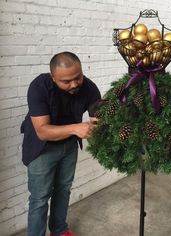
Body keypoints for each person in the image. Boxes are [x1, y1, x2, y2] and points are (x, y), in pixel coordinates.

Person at [21, 52, 101, 236]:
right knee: (40, 198)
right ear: (53, 77)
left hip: (69, 147)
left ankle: (58, 230)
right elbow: (42, 131)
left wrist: (102, 125)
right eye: (66, 81)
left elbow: (98, 118)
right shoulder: (39, 86)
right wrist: (75, 128)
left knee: (64, 189)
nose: (74, 84)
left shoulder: (88, 87)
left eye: (78, 77)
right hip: (41, 149)